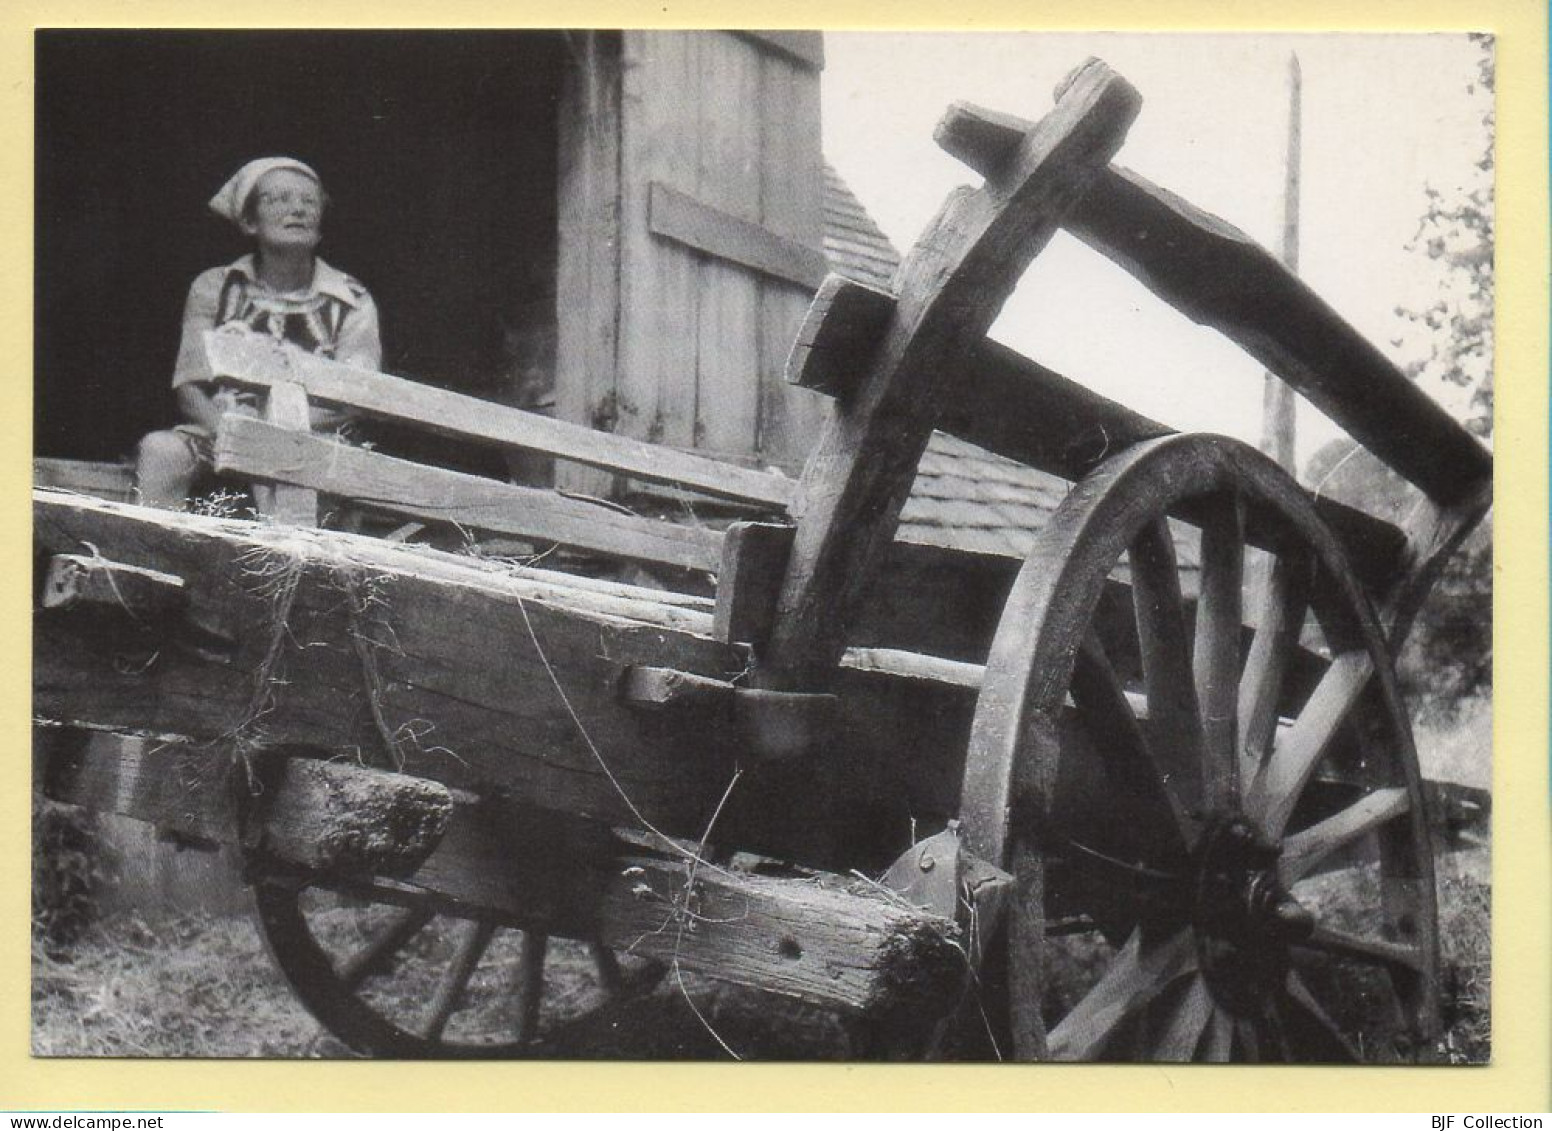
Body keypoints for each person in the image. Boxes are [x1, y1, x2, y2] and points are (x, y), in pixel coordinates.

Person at [135, 157, 382, 508]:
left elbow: (356, 399)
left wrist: (272, 440)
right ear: (249, 221)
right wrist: (235, 434)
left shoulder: (352, 299)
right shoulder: (215, 287)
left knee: (290, 473)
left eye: (308, 201)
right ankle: (150, 556)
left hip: (316, 442)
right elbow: (189, 388)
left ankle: (284, 563)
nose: (297, 209)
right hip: (221, 432)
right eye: (278, 199)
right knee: (161, 450)